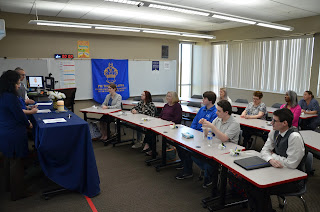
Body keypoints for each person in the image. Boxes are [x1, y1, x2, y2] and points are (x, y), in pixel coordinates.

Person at [246, 108, 306, 212]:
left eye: (274, 120)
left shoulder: (294, 137)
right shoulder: (274, 132)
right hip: (278, 171)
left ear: (284, 123)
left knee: (260, 188)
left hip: (294, 180)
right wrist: (270, 159)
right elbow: (264, 151)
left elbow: (291, 164)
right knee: (249, 183)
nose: (271, 123)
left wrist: (273, 155)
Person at [176, 100, 240, 190]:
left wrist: (212, 127)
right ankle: (209, 173)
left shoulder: (234, 124)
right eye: (217, 110)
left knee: (209, 161)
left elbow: (224, 138)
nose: (216, 112)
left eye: (219, 111)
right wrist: (205, 125)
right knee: (192, 152)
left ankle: (210, 175)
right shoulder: (218, 119)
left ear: (226, 112)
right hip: (217, 146)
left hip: (228, 151)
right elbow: (207, 133)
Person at [0, 70, 33, 200]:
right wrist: (28, 124)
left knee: (8, 160)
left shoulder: (2, 95)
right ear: (11, 83)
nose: (19, 86)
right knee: (16, 163)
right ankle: (18, 193)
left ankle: (8, 187)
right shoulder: (10, 97)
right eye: (17, 83)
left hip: (4, 132)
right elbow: (19, 115)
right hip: (13, 133)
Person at [176, 91, 218, 170]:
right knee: (180, 144)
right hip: (195, 134)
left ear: (210, 101)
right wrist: (192, 131)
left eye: (204, 98)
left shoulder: (215, 113)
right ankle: (184, 163)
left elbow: (211, 129)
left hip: (205, 136)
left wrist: (198, 134)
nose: (202, 100)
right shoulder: (202, 109)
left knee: (188, 150)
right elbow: (195, 121)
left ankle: (187, 170)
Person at [143, 91, 182, 156]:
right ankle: (151, 149)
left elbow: (178, 118)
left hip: (170, 126)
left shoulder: (177, 106)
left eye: (169, 96)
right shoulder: (166, 105)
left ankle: (151, 149)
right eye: (167, 96)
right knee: (149, 130)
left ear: (174, 97)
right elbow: (161, 115)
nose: (167, 97)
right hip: (162, 123)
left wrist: (170, 122)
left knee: (152, 133)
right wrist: (158, 119)